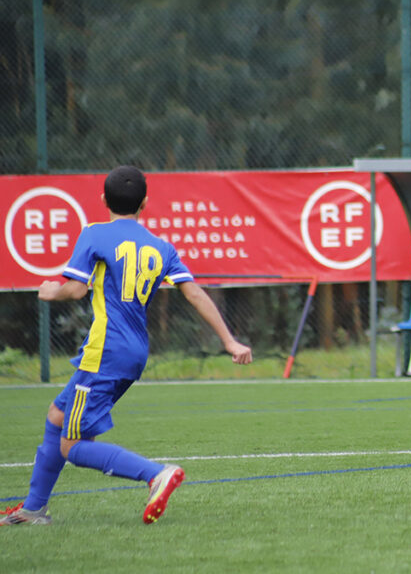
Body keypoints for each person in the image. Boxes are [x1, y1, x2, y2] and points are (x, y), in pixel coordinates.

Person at [1, 166, 252, 527]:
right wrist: (229, 340)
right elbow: (194, 293)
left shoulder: (95, 234)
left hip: (106, 351)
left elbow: (75, 288)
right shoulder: (161, 246)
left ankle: (155, 474)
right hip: (134, 352)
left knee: (71, 445)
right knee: (57, 418)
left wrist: (49, 290)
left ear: (103, 199)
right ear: (145, 203)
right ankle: (33, 508)